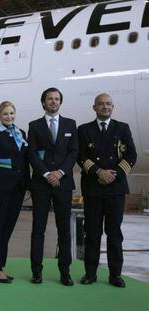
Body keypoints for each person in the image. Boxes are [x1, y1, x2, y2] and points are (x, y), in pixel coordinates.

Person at [78, 93, 136, 288]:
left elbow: (131, 155)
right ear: (94, 107)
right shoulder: (84, 130)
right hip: (93, 188)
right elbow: (81, 156)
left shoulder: (122, 128)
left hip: (115, 189)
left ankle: (115, 275)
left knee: (114, 233)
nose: (105, 107)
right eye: (101, 104)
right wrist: (98, 172)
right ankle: (90, 273)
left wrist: (114, 174)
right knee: (92, 233)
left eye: (108, 104)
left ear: (113, 107)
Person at [28, 87, 78, 286]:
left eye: (57, 99)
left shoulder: (70, 124)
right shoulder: (35, 125)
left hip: (63, 183)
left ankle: (65, 271)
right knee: (38, 229)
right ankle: (36, 271)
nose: (54, 102)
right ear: (43, 102)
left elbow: (74, 152)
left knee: (63, 229)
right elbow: (32, 153)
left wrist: (60, 173)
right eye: (50, 99)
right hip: (41, 183)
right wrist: (48, 174)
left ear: (60, 102)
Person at [0, 101, 30, 283]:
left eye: (11, 113)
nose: (9, 117)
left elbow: (25, 163)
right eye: (5, 114)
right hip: (1, 190)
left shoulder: (21, 134)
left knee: (8, 229)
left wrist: (27, 186)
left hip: (18, 189)